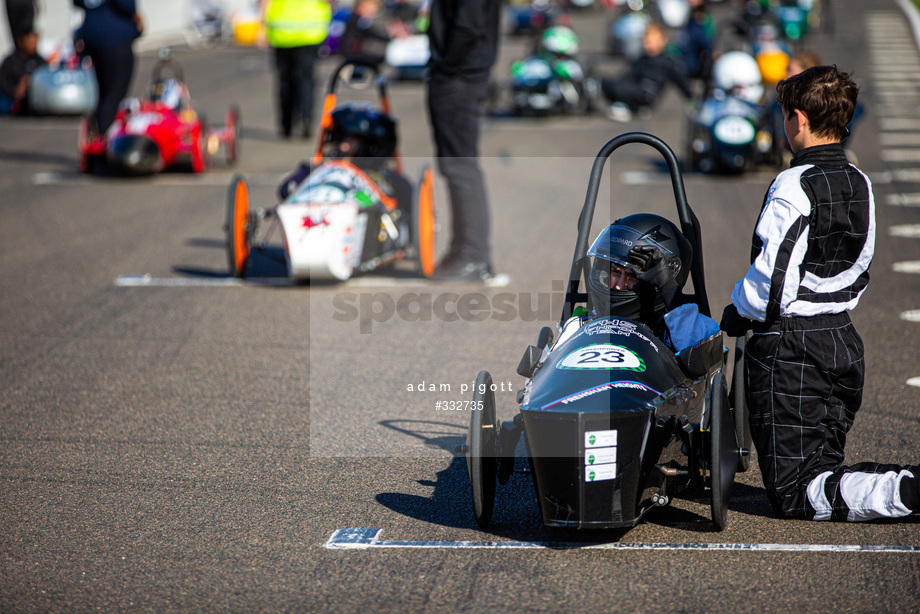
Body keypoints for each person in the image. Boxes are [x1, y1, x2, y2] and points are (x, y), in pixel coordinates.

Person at [720, 65, 920, 521]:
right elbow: (861, 262)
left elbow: (773, 281)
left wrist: (738, 309)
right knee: (821, 470)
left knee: (799, 493)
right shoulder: (859, 181)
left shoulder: (794, 185)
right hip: (843, 340)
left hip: (793, 351)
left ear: (798, 119)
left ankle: (907, 492)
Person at [557, 213, 719, 353]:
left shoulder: (684, 327)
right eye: (614, 271)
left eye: (633, 275)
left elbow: (700, 359)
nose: (619, 285)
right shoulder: (578, 325)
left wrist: (670, 291)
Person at [426, 0, 500, 282]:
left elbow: (467, 26)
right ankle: (463, 251)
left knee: (460, 166)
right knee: (455, 165)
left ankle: (472, 255)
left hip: (459, 77)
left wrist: (447, 68)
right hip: (462, 75)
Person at [260, 0, 332, 139]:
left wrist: (262, 27)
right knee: (306, 79)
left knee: (285, 80)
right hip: (310, 31)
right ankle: (306, 118)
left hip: (281, 31)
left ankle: (286, 123)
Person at [72, 0, 143, 135]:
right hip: (115, 37)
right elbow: (126, 5)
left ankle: (99, 132)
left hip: (91, 34)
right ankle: (105, 140)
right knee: (114, 95)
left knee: (104, 94)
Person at [600, 22, 693, 123]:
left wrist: (691, 100)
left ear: (662, 41)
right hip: (635, 87)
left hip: (648, 93)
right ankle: (624, 106)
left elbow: (681, 82)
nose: (647, 44)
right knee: (608, 84)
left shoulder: (668, 62)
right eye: (646, 41)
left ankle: (634, 108)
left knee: (623, 90)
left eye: (650, 41)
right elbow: (630, 75)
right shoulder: (642, 58)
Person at [0, 25, 45, 115]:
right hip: (10, 99)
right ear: (22, 41)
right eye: (30, 40)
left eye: (35, 40)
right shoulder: (11, 61)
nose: (34, 43)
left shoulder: (41, 62)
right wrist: (15, 90)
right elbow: (3, 81)